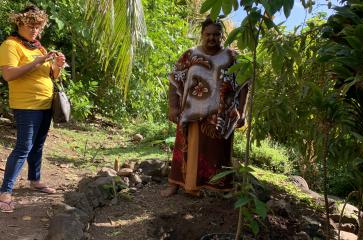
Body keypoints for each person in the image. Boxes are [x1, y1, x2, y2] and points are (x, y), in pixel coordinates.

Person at [161, 16, 249, 197]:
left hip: (219, 117)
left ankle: (216, 189)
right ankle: (176, 184)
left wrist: (242, 111)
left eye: (216, 34)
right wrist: (173, 106)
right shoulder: (190, 54)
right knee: (184, 149)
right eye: (208, 34)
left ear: (222, 36)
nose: (212, 38)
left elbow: (244, 85)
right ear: (202, 34)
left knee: (217, 154)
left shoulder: (231, 57)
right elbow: (174, 80)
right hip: (190, 113)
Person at [0, 5, 66, 212]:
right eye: (31, 25)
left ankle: (34, 180)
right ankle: (5, 192)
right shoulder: (10, 45)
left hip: (45, 103)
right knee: (23, 147)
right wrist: (37, 62)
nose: (35, 29)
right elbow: (8, 75)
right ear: (19, 23)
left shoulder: (38, 46)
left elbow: (51, 76)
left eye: (38, 26)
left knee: (38, 145)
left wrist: (58, 66)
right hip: (26, 105)